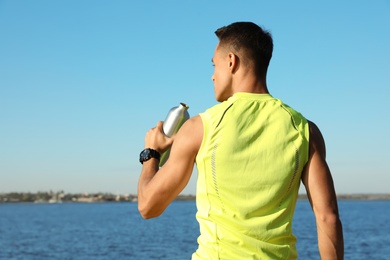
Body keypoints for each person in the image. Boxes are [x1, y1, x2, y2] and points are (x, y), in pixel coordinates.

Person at [138, 21, 344, 259]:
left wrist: (151, 154)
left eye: (214, 65)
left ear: (231, 61)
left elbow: (148, 206)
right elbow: (327, 217)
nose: (213, 76)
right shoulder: (305, 130)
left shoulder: (200, 127)